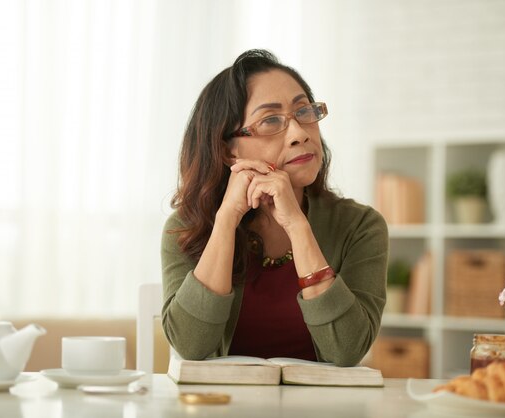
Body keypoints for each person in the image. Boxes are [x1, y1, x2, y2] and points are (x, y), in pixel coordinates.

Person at [161, 49, 388, 366]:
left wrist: (297, 226)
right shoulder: (188, 226)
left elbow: (346, 349)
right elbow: (190, 344)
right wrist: (226, 220)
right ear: (229, 151)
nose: (299, 134)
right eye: (270, 120)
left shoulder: (360, 226)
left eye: (304, 112)